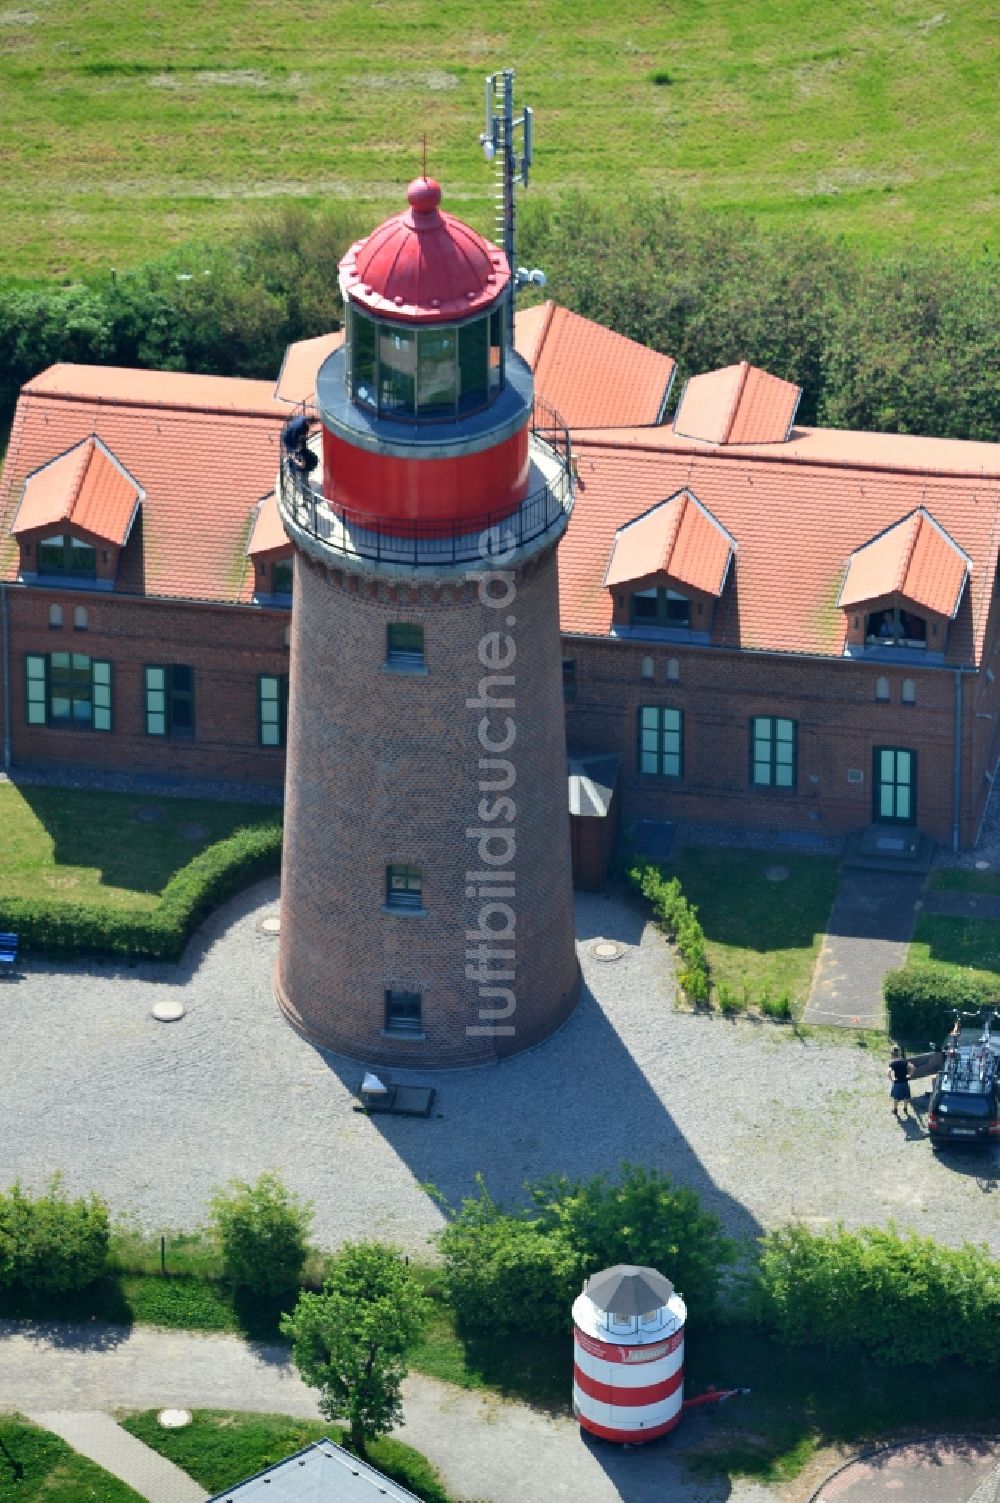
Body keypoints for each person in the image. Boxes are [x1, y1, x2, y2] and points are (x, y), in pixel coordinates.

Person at [888, 1045, 915, 1119]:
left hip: (897, 1083)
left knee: (896, 1097)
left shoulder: (893, 1063)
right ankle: (905, 1108)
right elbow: (912, 1067)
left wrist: (891, 1078)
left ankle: (895, 1110)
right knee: (906, 1096)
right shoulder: (905, 1062)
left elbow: (888, 1072)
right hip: (905, 1082)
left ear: (893, 1054)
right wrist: (909, 1075)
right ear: (899, 1053)